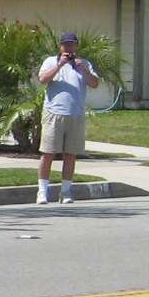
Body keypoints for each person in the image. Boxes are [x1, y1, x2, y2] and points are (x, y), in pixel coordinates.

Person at [36, 31, 101, 205]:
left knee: (70, 154)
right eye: (66, 44)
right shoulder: (51, 61)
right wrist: (60, 65)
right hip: (54, 113)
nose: (69, 47)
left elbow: (94, 84)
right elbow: (42, 79)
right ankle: (42, 191)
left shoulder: (84, 63)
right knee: (48, 153)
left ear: (76, 46)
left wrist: (83, 69)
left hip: (76, 114)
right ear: (61, 46)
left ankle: (65, 191)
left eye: (72, 44)